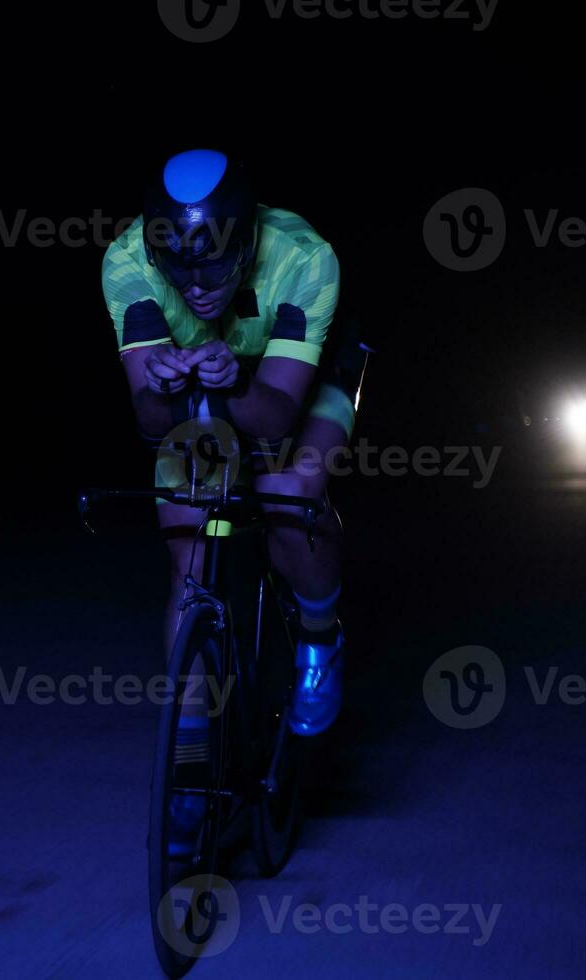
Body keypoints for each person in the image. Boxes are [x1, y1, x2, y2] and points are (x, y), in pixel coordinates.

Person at [102, 148, 362, 752]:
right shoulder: (126, 259)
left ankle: (321, 637)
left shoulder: (305, 259)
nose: (196, 289)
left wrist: (238, 381)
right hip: (212, 378)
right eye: (177, 270)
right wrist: (162, 387)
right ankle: (190, 750)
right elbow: (148, 422)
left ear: (245, 246)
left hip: (301, 380)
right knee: (187, 531)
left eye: (215, 271)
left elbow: (274, 421)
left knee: (287, 490)